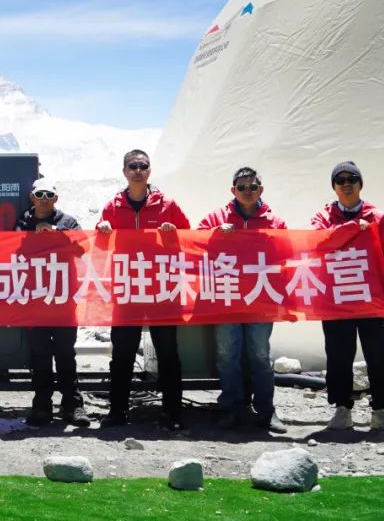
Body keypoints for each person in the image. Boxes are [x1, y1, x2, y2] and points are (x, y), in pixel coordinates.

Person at [96, 149, 190, 430]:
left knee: (168, 352)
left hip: (161, 285)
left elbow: (189, 240)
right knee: (122, 353)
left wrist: (174, 235)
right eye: (133, 166)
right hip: (127, 286)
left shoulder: (168, 204)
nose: (138, 170)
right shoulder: (112, 206)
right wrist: (101, 232)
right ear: (124, 171)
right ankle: (117, 411)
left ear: (150, 171)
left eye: (143, 166)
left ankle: (173, 411)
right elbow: (101, 248)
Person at [311, 161, 384, 433]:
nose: (346, 183)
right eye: (340, 180)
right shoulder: (322, 217)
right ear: (334, 186)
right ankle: (342, 410)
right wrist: (355, 228)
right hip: (337, 300)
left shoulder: (380, 218)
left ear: (360, 183)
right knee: (338, 357)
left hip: (373, 299)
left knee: (379, 357)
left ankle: (382, 411)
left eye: (352, 178)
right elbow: (321, 241)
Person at [198, 167, 287, 433]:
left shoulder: (274, 221)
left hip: (260, 299)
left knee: (260, 355)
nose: (247, 191)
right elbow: (195, 242)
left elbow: (285, 255)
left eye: (252, 186)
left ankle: (266, 410)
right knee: (227, 355)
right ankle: (231, 408)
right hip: (227, 298)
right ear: (232, 190)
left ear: (261, 188)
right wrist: (214, 233)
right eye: (241, 187)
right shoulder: (217, 217)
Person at [14, 177, 89, 427]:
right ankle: (42, 406)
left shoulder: (68, 222)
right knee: (40, 355)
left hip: (63, 297)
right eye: (40, 195)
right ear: (31, 198)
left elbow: (83, 248)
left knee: (66, 354)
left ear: (56, 199)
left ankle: (73, 407)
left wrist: (58, 235)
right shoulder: (22, 222)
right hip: (34, 299)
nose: (44, 200)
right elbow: (11, 251)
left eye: (49, 195)